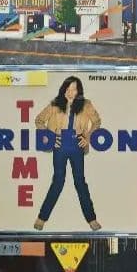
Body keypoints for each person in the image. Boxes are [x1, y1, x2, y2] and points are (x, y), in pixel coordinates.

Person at [34, 76, 102, 231]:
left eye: (74, 89)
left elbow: (97, 122)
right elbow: (39, 120)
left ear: (79, 91)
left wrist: (87, 137)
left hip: (77, 144)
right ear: (63, 90)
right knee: (58, 181)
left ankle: (91, 219)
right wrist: (51, 138)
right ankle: (41, 218)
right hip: (60, 145)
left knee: (80, 182)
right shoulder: (54, 104)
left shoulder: (86, 104)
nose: (71, 92)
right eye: (68, 89)